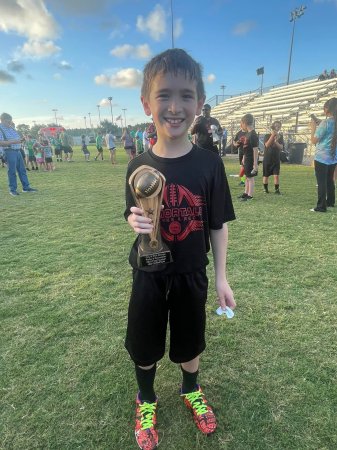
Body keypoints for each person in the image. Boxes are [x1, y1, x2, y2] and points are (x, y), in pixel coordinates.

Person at [124, 48, 236, 450]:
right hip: (148, 273)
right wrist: (133, 221)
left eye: (186, 96)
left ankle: (191, 388)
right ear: (146, 102)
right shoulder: (138, 163)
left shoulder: (209, 164)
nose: (175, 106)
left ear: (200, 104)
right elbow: (132, 213)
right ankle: (146, 398)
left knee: (190, 339)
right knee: (144, 341)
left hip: (192, 272)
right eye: (164, 95)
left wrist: (222, 276)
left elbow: (217, 224)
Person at [310, 97, 337, 212]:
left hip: (322, 157)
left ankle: (321, 206)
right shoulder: (331, 122)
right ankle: (330, 202)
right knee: (330, 180)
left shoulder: (325, 123)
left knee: (321, 182)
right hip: (333, 157)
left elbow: (314, 140)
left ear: (327, 109)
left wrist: (313, 128)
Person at [0, 112, 37, 196]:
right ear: (2, 120)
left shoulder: (11, 128)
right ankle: (12, 190)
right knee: (12, 171)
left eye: (10, 121)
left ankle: (26, 187)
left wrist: (21, 139)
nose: (9, 123)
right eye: (7, 121)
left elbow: (17, 138)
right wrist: (15, 141)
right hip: (9, 151)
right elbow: (1, 143)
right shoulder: (0, 129)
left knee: (22, 170)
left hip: (18, 151)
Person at [238, 113, 259, 201]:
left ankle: (250, 195)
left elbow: (255, 150)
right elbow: (245, 148)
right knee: (247, 176)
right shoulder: (247, 134)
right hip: (246, 158)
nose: (241, 126)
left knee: (250, 177)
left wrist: (255, 163)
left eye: (241, 123)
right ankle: (246, 193)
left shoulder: (253, 134)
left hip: (251, 159)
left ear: (245, 123)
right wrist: (243, 158)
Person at [262, 121, 284, 194]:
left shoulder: (280, 136)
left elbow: (281, 147)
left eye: (279, 126)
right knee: (266, 175)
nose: (277, 128)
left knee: (276, 175)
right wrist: (273, 135)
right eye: (276, 126)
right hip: (267, 159)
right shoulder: (267, 136)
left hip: (276, 159)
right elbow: (267, 145)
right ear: (273, 126)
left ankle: (277, 190)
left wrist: (276, 141)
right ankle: (265, 189)